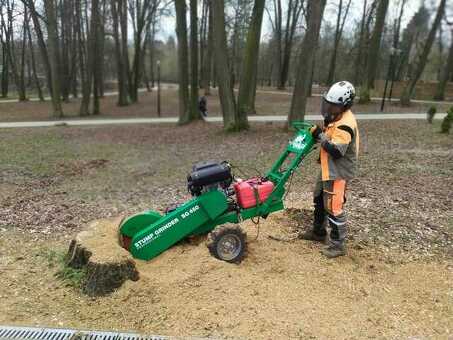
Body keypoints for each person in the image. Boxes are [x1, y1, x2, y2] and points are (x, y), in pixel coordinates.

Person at [301, 81, 359, 258]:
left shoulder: (345, 124)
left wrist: (319, 135)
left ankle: (337, 245)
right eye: (328, 103)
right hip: (328, 168)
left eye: (334, 105)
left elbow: (336, 151)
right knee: (319, 197)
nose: (329, 107)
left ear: (344, 105)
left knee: (334, 207)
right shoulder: (336, 117)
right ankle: (318, 232)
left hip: (338, 171)